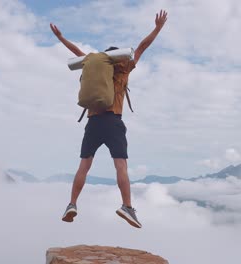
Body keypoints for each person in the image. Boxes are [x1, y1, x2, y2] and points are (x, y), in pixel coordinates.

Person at [50, 10, 168, 228]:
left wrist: (60, 38)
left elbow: (77, 53)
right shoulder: (124, 70)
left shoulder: (94, 67)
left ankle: (72, 204)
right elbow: (142, 47)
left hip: (93, 122)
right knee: (120, 165)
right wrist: (158, 28)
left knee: (84, 165)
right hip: (113, 121)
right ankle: (127, 207)